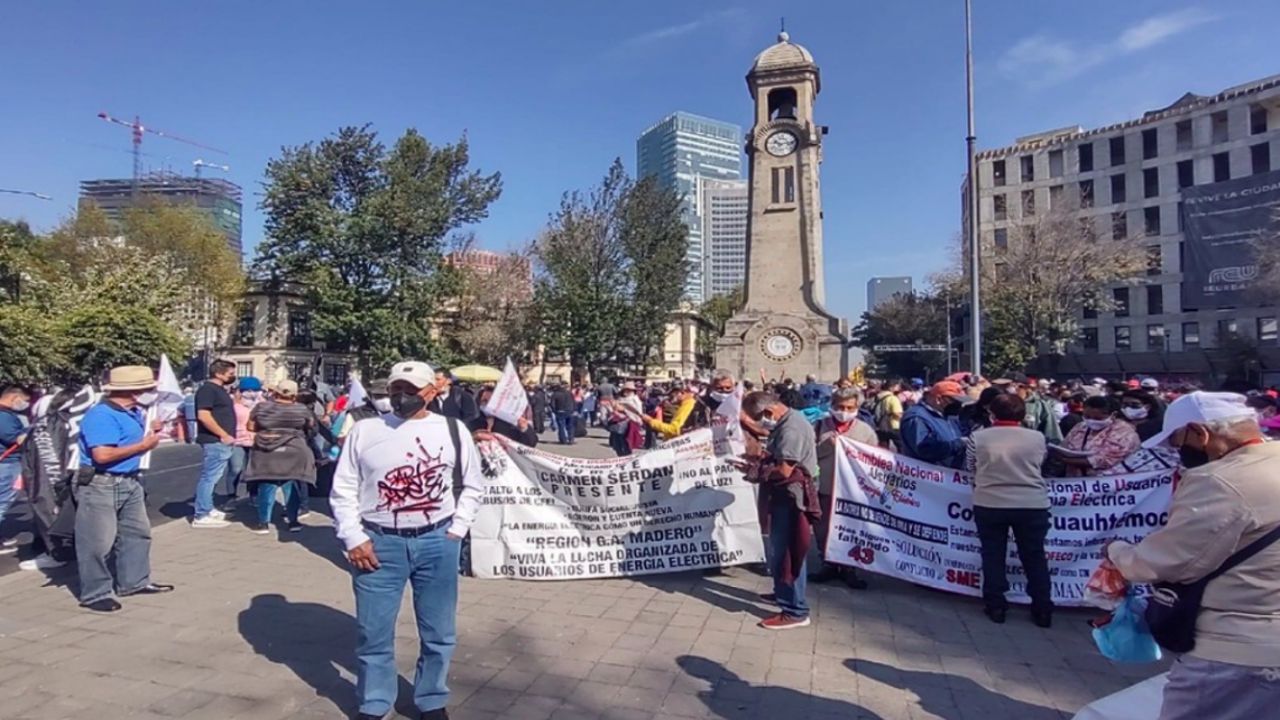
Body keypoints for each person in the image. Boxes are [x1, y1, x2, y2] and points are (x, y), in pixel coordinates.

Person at [1106, 392, 1280, 720]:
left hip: (1234, 652)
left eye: (1177, 441)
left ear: (1201, 433)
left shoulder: (1217, 482)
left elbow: (1162, 561)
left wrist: (1116, 551)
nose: (1177, 452)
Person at [330, 361, 484, 720]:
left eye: (411, 390)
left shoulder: (453, 429)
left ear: (432, 391)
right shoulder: (365, 430)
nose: (401, 397)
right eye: (396, 388)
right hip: (378, 545)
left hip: (437, 541)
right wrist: (353, 537)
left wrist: (457, 530)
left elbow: (472, 484)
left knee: (439, 631)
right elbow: (344, 488)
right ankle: (375, 702)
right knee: (373, 632)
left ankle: (431, 699)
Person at [74, 366, 174, 612]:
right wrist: (144, 446)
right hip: (101, 483)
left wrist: (153, 431)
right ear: (133, 391)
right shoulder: (101, 415)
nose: (152, 391)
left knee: (137, 534)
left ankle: (134, 581)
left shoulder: (133, 412)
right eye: (148, 388)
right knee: (97, 542)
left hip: (129, 481)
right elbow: (103, 454)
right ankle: (95, 593)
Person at [964, 393, 1053, 627]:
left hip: (991, 502)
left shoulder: (978, 437)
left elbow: (971, 467)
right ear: (1022, 414)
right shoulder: (1037, 438)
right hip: (1032, 503)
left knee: (993, 554)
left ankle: (996, 605)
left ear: (991, 413)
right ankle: (1042, 607)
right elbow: (1040, 464)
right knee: (1034, 556)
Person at [739, 391, 820, 630]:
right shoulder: (788, 422)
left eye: (759, 418)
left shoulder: (791, 429)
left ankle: (795, 610)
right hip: (784, 496)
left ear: (769, 411)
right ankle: (784, 593)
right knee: (779, 549)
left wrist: (759, 472)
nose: (760, 424)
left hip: (791, 497)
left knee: (787, 552)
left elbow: (785, 470)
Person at [811, 387, 876, 588]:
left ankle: (849, 567)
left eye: (849, 407)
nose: (844, 411)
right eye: (840, 406)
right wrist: (826, 446)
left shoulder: (865, 431)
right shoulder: (819, 426)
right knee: (823, 528)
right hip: (826, 487)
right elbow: (808, 454)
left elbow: (874, 461)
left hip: (853, 492)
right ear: (832, 406)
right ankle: (828, 563)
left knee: (850, 529)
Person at [243, 380, 316, 535]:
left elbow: (250, 426)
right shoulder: (301, 409)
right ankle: (293, 522)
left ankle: (263, 523)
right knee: (291, 484)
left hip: (265, 448)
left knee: (266, 483)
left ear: (276, 392)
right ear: (294, 395)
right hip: (294, 449)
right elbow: (310, 425)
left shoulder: (261, 407)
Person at [192, 360, 237, 528]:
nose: (233, 377)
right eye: (230, 373)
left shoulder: (219, 390)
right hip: (215, 440)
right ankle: (201, 514)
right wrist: (223, 434)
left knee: (214, 476)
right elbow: (204, 415)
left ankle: (208, 508)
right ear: (218, 373)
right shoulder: (208, 390)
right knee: (209, 477)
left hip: (220, 440)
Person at [1055, 395, 1140, 476]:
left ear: (1113, 415)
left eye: (1098, 418)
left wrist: (1067, 460)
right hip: (1077, 483)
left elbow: (1107, 460)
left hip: (1108, 483)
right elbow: (1064, 446)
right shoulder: (1080, 427)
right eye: (1087, 417)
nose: (1091, 421)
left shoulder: (1124, 432)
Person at [899, 381, 968, 469]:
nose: (960, 405)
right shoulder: (917, 417)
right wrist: (959, 444)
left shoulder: (948, 416)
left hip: (951, 475)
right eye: (955, 402)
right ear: (938, 399)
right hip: (928, 477)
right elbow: (924, 449)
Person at [0, 385, 32, 552]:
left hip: (6, 463)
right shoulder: (4, 416)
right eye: (25, 401)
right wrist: (29, 431)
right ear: (14, 397)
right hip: (7, 463)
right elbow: (15, 439)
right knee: (3, 501)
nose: (26, 404)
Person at [222, 378, 260, 511]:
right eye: (247, 390)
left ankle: (253, 495)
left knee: (254, 470)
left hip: (256, 441)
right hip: (237, 440)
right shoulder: (233, 405)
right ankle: (231, 497)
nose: (251, 393)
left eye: (255, 390)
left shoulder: (261, 403)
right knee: (235, 469)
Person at [998, 372, 1063, 444]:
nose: (1002, 389)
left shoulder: (1040, 406)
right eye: (1001, 386)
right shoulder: (999, 404)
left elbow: (1053, 435)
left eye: (1005, 386)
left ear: (1020, 386)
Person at [469, 386, 538, 447]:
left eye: (491, 401)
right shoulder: (472, 421)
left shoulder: (508, 422)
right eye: (484, 401)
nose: (488, 405)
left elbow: (531, 443)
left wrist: (525, 429)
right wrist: (474, 437)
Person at [872, 381, 904, 447]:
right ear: (891, 388)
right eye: (897, 386)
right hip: (893, 425)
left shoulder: (879, 396)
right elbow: (897, 413)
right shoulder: (893, 398)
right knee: (901, 446)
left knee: (883, 448)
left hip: (880, 425)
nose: (899, 388)